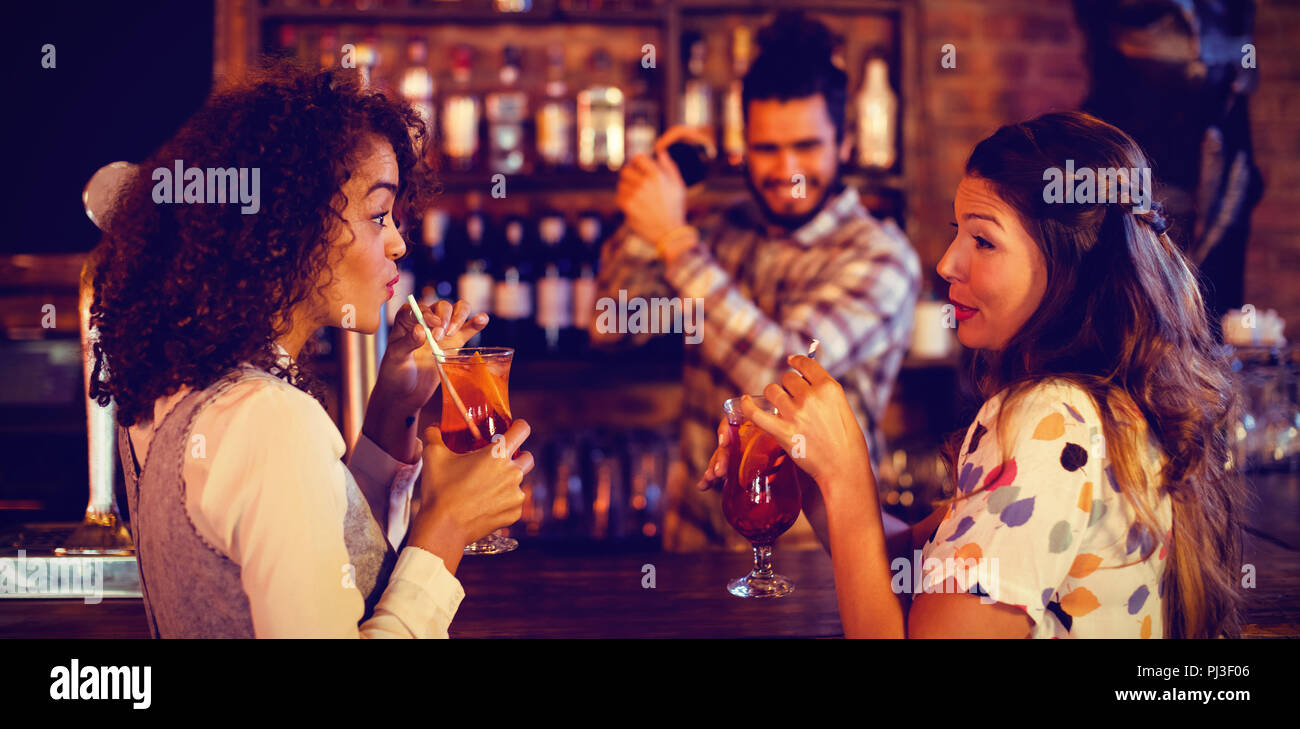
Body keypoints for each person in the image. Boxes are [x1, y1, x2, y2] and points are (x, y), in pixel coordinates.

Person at [701, 111, 1249, 638]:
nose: (946, 263)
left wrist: (844, 471)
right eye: (957, 231)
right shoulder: (1103, 404)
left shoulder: (1050, 420)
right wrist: (815, 469)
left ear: (1069, 266)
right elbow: (911, 567)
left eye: (983, 241)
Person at [88, 62, 533, 638]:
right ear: (287, 227)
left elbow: (328, 562)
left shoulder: (191, 390)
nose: (398, 241)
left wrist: (392, 407)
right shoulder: (268, 419)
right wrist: (446, 525)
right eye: (378, 215)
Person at [595, 11, 921, 550]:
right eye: (768, 149)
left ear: (845, 143)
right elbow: (613, 328)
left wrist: (674, 239)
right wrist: (645, 215)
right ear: (745, 144)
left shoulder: (881, 257)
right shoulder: (722, 235)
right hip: (693, 540)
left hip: (813, 557)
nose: (787, 169)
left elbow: (782, 377)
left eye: (807, 147)